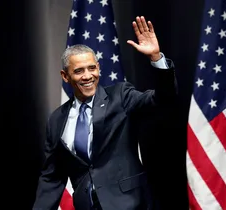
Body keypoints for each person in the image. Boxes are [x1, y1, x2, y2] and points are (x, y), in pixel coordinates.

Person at [32, 16, 177, 210]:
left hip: (130, 204)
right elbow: (52, 177)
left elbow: (163, 99)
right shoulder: (57, 119)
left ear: (99, 68)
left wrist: (156, 58)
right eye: (79, 71)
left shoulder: (120, 95)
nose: (87, 76)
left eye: (92, 68)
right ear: (65, 76)